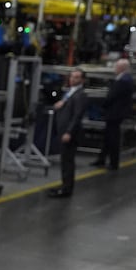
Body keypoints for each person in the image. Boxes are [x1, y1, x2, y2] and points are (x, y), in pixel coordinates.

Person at [49, 68, 87, 199]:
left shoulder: (80, 95)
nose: (73, 79)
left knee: (68, 161)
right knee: (64, 160)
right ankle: (64, 184)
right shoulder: (70, 92)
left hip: (70, 133)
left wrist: (69, 132)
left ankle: (67, 188)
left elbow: (77, 115)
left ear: (82, 80)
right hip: (62, 130)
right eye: (72, 77)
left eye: (76, 77)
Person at [93, 58, 134, 171]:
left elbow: (112, 96)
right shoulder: (125, 79)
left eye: (116, 66)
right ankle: (101, 159)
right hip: (116, 112)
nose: (115, 69)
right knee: (108, 137)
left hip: (115, 113)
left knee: (113, 138)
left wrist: (103, 106)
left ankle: (113, 163)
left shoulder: (123, 80)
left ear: (121, 68)